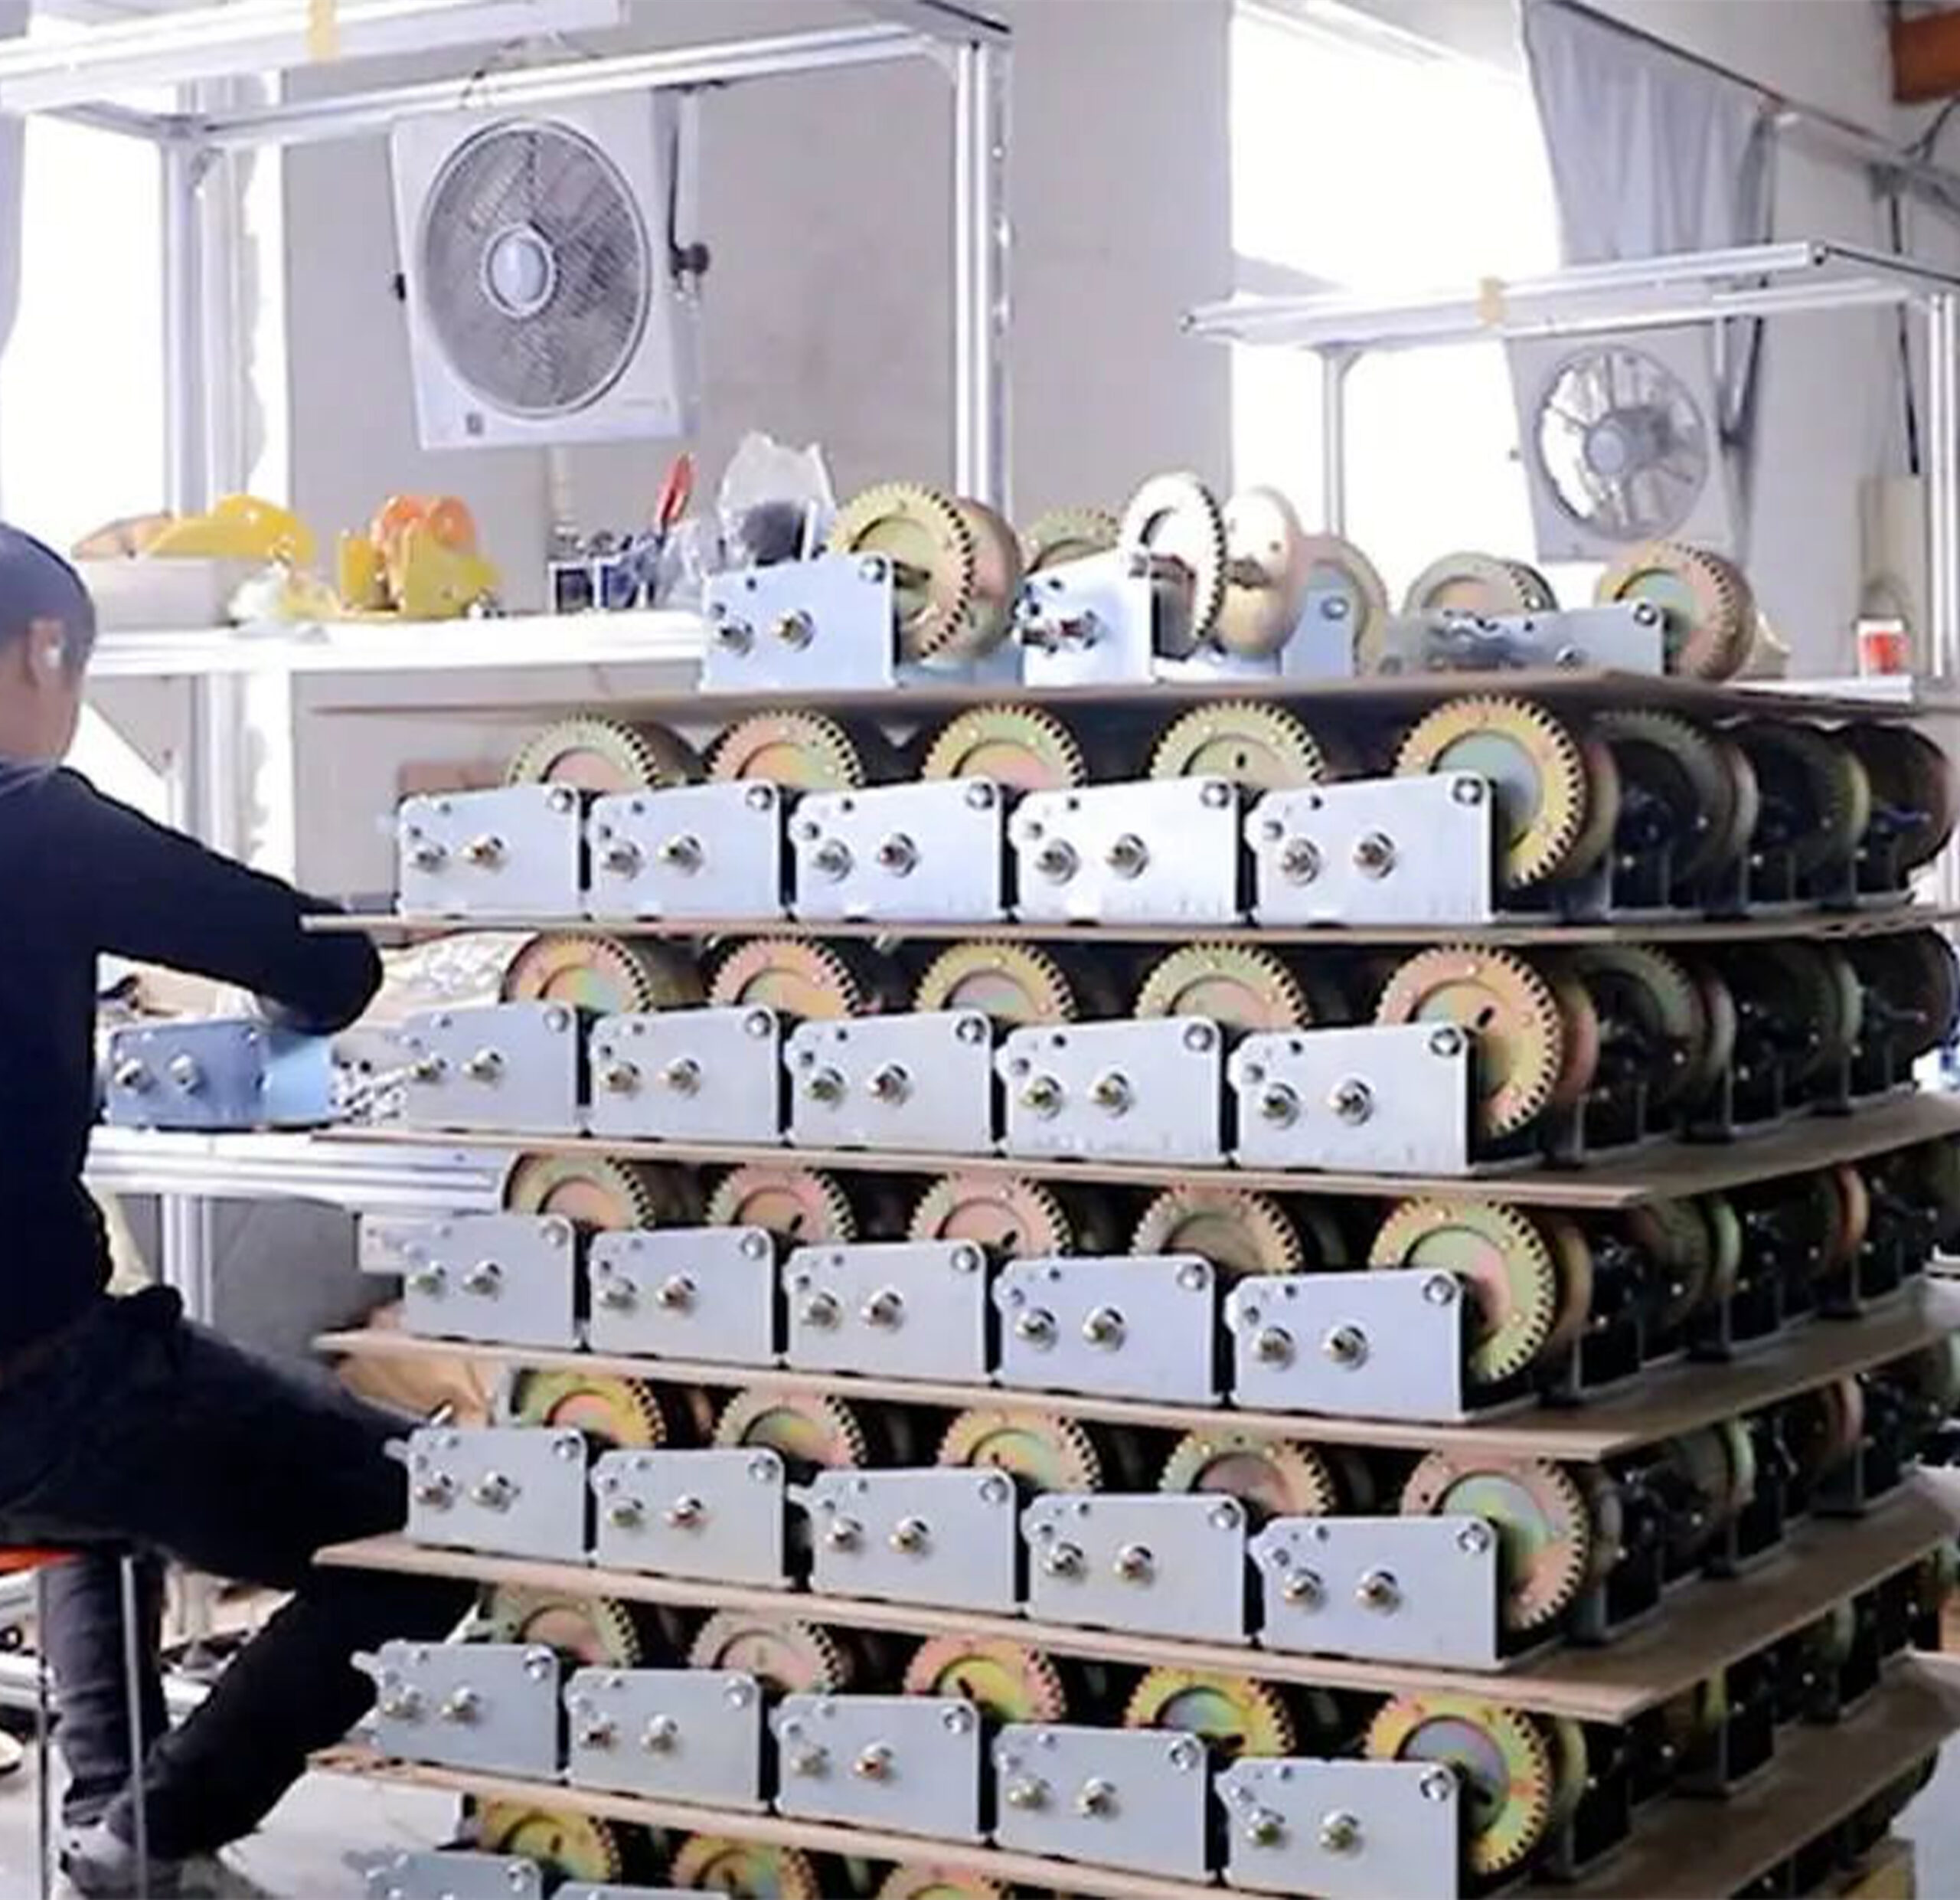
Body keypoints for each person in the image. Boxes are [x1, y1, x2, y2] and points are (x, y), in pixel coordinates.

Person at [0, 525, 471, 1895]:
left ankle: (119, 1820)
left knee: (117, 1456)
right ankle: (159, 1826)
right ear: (44, 650)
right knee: (442, 1516)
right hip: (31, 1384)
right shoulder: (37, 818)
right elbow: (321, 959)